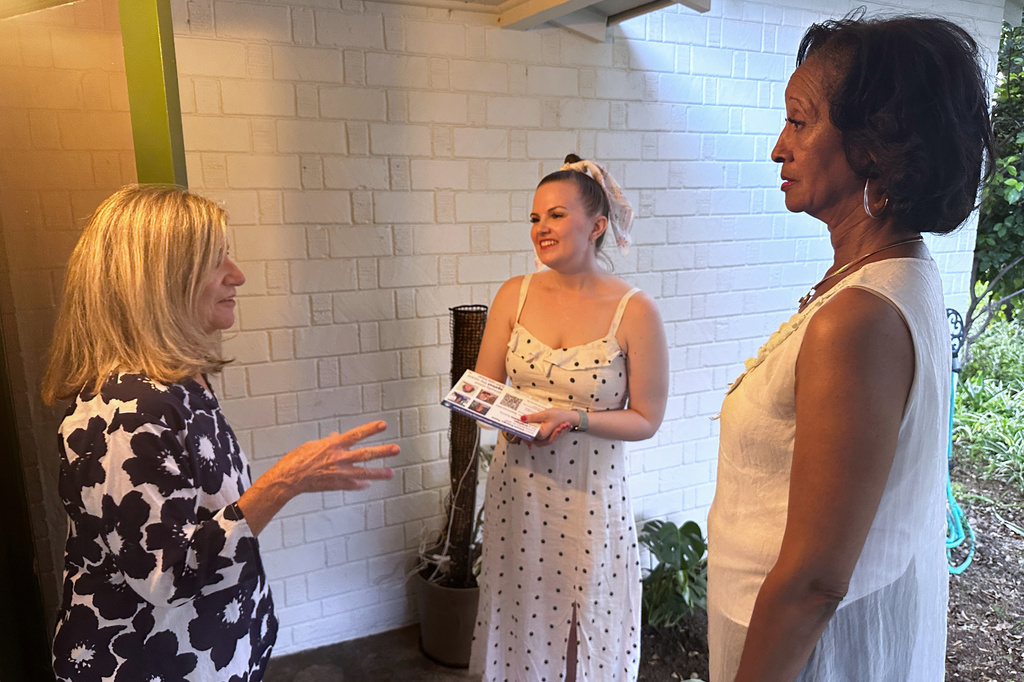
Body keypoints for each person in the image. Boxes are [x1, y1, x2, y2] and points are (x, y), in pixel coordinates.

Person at [706, 13, 994, 682]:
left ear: (876, 144)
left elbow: (814, 582)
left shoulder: (858, 319)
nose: (780, 147)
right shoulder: (889, 275)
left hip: (798, 657)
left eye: (800, 123)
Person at [42, 185, 400, 681]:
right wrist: (284, 482)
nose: (238, 275)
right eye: (216, 261)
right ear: (159, 280)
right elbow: (168, 574)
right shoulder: (126, 413)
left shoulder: (181, 385)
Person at [469, 155, 669, 682]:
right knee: (517, 613)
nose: (541, 229)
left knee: (587, 619)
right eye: (535, 219)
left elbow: (647, 417)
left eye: (555, 216)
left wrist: (576, 418)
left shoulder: (636, 310)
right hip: (519, 489)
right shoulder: (514, 294)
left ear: (597, 225)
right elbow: (484, 392)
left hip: (591, 493)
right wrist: (518, 419)